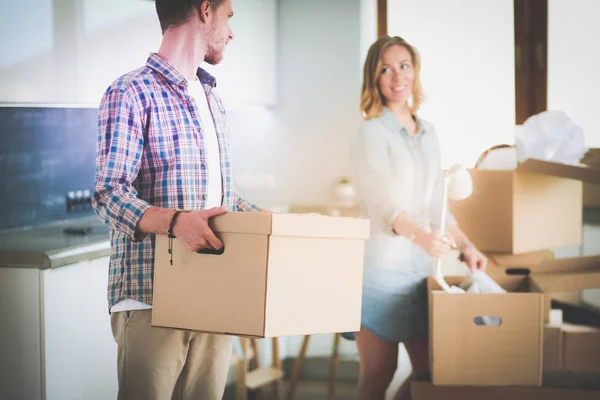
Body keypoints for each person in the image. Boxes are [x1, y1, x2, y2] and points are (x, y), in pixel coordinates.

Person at [93, 1, 263, 399]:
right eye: (229, 17)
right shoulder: (130, 91)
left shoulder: (211, 97)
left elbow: (221, 198)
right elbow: (109, 193)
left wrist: (277, 223)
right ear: (206, 10)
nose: (232, 31)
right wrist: (175, 222)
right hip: (152, 297)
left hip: (213, 294)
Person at [349, 35, 488, 400]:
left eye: (404, 66)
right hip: (379, 276)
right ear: (374, 78)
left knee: (430, 374)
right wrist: (420, 237)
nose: (397, 76)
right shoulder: (370, 133)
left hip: (421, 277)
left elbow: (437, 206)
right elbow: (382, 205)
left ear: (415, 71)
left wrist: (467, 247)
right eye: (386, 69)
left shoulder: (430, 134)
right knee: (380, 372)